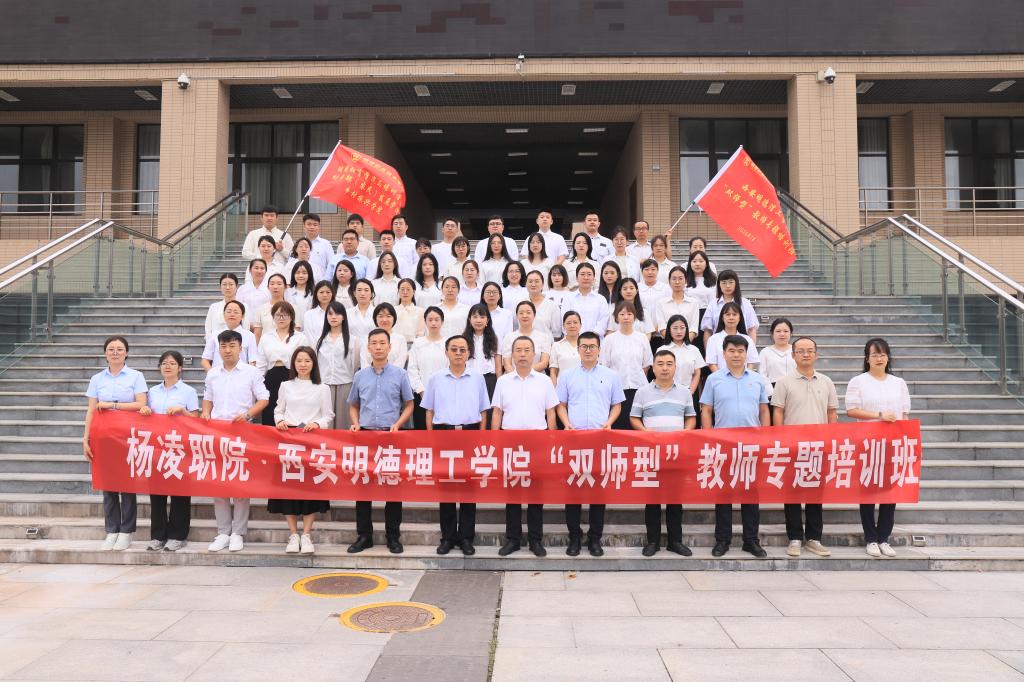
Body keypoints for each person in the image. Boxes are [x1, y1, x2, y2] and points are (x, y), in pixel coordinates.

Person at [700, 335, 770, 559]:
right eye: (732, 350)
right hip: (723, 444)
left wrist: (765, 436)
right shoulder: (714, 379)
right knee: (723, 493)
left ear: (747, 354)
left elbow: (764, 410)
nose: (736, 355)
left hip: (751, 444)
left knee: (751, 494)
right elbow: (706, 410)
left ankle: (751, 540)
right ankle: (722, 540)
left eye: (740, 351)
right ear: (724, 353)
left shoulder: (757, 379)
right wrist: (710, 436)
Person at [556, 331, 624, 556]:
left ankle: (595, 538)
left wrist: (609, 423)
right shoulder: (567, 375)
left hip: (600, 440)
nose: (587, 350)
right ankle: (574, 537)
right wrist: (566, 424)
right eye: (584, 346)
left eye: (592, 346)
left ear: (599, 350)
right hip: (574, 439)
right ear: (578, 349)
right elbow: (561, 404)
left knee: (598, 492)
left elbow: (617, 405)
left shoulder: (611, 375)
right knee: (572, 491)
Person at [347, 328, 414, 554]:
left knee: (392, 489)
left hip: (390, 437)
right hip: (366, 436)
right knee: (363, 489)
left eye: (382, 343)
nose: (378, 347)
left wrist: (398, 424)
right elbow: (353, 405)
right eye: (374, 343)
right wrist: (356, 423)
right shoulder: (360, 376)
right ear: (368, 347)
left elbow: (409, 404)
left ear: (389, 347)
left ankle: (393, 536)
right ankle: (364, 535)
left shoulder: (400, 374)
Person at [202, 329, 270, 552]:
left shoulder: (251, 372)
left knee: (240, 484)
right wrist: (205, 413)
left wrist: (248, 415)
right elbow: (208, 398)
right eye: (223, 346)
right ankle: (223, 532)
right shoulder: (213, 373)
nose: (227, 350)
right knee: (218, 483)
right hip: (217, 433)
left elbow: (264, 398)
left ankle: (238, 533)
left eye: (232, 346)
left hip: (242, 433)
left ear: (241, 348)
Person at [423, 335, 491, 555]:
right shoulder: (435, 378)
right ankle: (448, 537)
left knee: (469, 489)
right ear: (446, 353)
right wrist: (431, 439)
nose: (458, 353)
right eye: (454, 349)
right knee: (446, 489)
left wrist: (482, 439)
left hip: (470, 434)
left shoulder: (477, 378)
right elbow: (429, 410)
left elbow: (483, 410)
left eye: (463, 349)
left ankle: (466, 538)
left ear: (469, 353)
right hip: (444, 435)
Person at [845, 337, 911, 559]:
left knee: (889, 492)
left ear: (888, 357)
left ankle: (884, 537)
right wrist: (879, 415)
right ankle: (871, 538)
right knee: (868, 490)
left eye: (882, 354)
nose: (879, 358)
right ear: (867, 358)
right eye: (874, 354)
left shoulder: (898, 383)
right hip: (868, 442)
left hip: (893, 443)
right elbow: (851, 410)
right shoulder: (858, 381)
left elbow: (904, 414)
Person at [772, 336, 838, 558]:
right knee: (791, 494)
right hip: (792, 447)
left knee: (815, 493)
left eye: (810, 350)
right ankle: (794, 537)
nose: (806, 354)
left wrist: (831, 440)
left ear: (816, 354)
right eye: (801, 351)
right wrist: (781, 441)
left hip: (819, 447)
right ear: (793, 355)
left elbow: (832, 413)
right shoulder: (784, 382)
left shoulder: (826, 382)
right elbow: (778, 412)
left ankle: (814, 538)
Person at [492, 336, 558, 557]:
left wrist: (551, 441)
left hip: (537, 442)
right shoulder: (503, 381)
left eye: (527, 350)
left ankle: (535, 540)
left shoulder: (544, 381)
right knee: (512, 493)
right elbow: (497, 412)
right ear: (511, 354)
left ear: (534, 354)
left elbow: (551, 412)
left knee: (535, 494)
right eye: (518, 350)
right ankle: (512, 539)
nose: (522, 354)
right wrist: (494, 441)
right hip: (510, 442)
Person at [83, 336, 148, 551]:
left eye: (120, 349)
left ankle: (126, 531)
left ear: (126, 353)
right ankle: (112, 530)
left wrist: (112, 405)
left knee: (127, 484)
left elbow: (141, 403)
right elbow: (91, 410)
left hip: (127, 436)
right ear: (105, 353)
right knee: (107, 484)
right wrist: (86, 438)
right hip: (102, 436)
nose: (115, 352)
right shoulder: (97, 379)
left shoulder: (136, 376)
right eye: (111, 349)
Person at [631, 349, 697, 557]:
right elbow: (634, 417)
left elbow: (691, 417)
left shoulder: (685, 392)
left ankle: (675, 541)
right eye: (660, 364)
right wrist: (645, 433)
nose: (665, 368)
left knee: (675, 500)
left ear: (675, 367)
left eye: (669, 364)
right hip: (651, 454)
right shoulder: (642, 392)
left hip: (676, 454)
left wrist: (685, 432)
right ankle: (653, 541)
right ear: (653, 367)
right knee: (652, 499)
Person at [270, 346, 333, 555]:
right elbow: (278, 410)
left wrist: (317, 423)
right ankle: (293, 534)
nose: (303, 364)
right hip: (289, 442)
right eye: (299, 361)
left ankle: (306, 534)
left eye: (307, 360)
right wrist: (280, 421)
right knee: (288, 489)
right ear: (293, 363)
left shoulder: (322, 388)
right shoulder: (285, 385)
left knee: (310, 490)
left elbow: (328, 415)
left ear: (313, 363)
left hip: (312, 443)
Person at [138, 350, 199, 551]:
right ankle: (158, 535)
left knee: (180, 493)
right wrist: (144, 410)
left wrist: (183, 411)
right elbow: (144, 416)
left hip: (179, 447)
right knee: (157, 493)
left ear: (180, 367)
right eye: (164, 363)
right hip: (157, 447)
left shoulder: (188, 391)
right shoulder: (152, 392)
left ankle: (178, 535)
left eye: (172, 363)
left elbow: (196, 421)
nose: (168, 366)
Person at [600, 302, 653, 428]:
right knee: (620, 425)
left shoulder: (642, 338)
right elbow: (604, 366)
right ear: (616, 317)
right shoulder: (609, 339)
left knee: (639, 424)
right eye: (622, 314)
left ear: (634, 317)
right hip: (617, 390)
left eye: (629, 314)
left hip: (639, 388)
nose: (626, 317)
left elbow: (646, 364)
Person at [256, 301, 305, 426]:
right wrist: (258, 385)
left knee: (291, 415)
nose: (281, 318)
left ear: (291, 317)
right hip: (271, 378)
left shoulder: (300, 337)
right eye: (278, 315)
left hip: (292, 378)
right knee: (270, 413)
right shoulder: (266, 337)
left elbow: (306, 361)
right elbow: (261, 364)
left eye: (285, 315)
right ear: (273, 317)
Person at [315, 301, 361, 430]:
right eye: (330, 314)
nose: (333, 317)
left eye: (337, 314)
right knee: (325, 424)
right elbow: (317, 364)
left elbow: (355, 364)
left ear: (344, 317)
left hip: (345, 385)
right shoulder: (320, 340)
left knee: (344, 423)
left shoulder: (353, 340)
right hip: (324, 385)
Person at [407, 307, 448, 429]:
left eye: (436, 319)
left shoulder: (448, 343)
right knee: (422, 431)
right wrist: (421, 391)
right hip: (421, 395)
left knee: (443, 431)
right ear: (425, 322)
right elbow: (412, 369)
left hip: (444, 395)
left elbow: (450, 368)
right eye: (430, 320)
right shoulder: (418, 343)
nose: (433, 323)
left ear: (442, 321)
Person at [700, 270, 760, 345]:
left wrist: (750, 349)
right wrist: (708, 350)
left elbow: (751, 329)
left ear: (736, 284)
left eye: (731, 282)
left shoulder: (745, 303)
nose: (727, 286)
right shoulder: (713, 304)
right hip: (718, 345)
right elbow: (708, 331)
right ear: (719, 285)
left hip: (741, 346)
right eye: (724, 283)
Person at [705, 302, 760, 373]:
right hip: (720, 378)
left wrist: (745, 378)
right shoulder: (713, 339)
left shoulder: (747, 339)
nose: (731, 318)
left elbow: (751, 362)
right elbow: (712, 363)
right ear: (722, 318)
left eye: (734, 314)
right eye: (728, 314)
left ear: (740, 318)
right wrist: (722, 377)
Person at [202, 300, 257, 370]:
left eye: (236, 312)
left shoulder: (250, 336)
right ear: (224, 315)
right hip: (219, 374)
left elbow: (253, 361)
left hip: (241, 375)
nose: (232, 314)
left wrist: (247, 375)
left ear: (242, 316)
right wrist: (212, 374)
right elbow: (205, 360)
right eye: (229, 312)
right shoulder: (215, 334)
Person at [500, 301, 552, 373]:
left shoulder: (544, 337)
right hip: (512, 376)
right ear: (517, 316)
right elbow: (507, 364)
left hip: (537, 376)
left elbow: (544, 363)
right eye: (521, 313)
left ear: (534, 315)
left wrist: (525, 373)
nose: (524, 316)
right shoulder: (509, 337)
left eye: (528, 312)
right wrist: (516, 375)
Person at [464, 303, 502, 398]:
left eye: (482, 317)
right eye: (475, 317)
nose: (478, 320)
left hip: (489, 380)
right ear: (469, 319)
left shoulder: (494, 339)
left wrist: (499, 385)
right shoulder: (463, 339)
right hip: (468, 379)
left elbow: (498, 365)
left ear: (487, 320)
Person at [662, 315, 704, 402]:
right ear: (669, 330)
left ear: (686, 329)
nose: (679, 331)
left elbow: (697, 373)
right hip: (667, 393)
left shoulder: (694, 350)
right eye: (675, 328)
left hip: (690, 392)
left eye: (682, 328)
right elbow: (660, 373)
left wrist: (691, 391)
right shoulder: (662, 350)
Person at [655, 266, 699, 341]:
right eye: (674, 279)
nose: (677, 282)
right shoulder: (661, 303)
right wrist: (673, 343)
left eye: (680, 278)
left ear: (686, 281)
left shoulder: (694, 303)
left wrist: (684, 344)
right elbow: (662, 327)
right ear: (669, 281)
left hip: (688, 343)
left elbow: (693, 328)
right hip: (667, 343)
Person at [360, 303, 408, 368]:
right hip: (369, 374)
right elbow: (364, 363)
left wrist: (386, 373)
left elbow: (400, 364)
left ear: (394, 318)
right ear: (375, 319)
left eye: (388, 316)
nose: (384, 320)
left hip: (394, 374)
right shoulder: (366, 339)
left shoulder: (401, 339)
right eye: (380, 316)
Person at [566, 263, 608, 335]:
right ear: (576, 278)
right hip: (574, 339)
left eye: (589, 274)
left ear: (594, 278)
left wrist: (591, 337)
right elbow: (565, 320)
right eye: (582, 274)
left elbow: (603, 321)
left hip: (595, 339)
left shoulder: (601, 299)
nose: (586, 277)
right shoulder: (569, 298)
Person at [204, 273, 248, 342]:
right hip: (217, 343)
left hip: (236, 344)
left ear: (236, 286)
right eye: (224, 284)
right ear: (220, 287)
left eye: (231, 284)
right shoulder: (214, 307)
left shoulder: (244, 306)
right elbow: (208, 329)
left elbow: (246, 328)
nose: (227, 287)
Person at [760, 318, 797, 392]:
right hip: (772, 391)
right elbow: (762, 375)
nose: (782, 334)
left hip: (795, 390)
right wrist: (772, 393)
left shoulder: (797, 350)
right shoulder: (765, 352)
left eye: (786, 331)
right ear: (772, 333)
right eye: (778, 331)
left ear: (791, 333)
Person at [549, 310, 582, 385]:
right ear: (563, 326)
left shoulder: (587, 345)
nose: (572, 326)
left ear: (580, 325)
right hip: (562, 386)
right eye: (568, 323)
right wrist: (554, 389)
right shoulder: (556, 346)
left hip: (583, 386)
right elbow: (553, 372)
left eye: (575, 322)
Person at [252, 273, 288, 343]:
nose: (275, 287)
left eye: (279, 284)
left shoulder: (293, 308)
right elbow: (257, 335)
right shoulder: (261, 309)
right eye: (272, 284)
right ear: (268, 287)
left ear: (285, 287)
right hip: (266, 346)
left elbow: (295, 333)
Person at [525, 270, 561, 338]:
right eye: (530, 281)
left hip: (546, 343)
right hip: (524, 343)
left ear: (543, 284)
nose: (533, 284)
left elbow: (557, 333)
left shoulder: (552, 305)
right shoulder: (520, 304)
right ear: (526, 284)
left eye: (537, 281)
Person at [300, 213, 333, 277]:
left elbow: (331, 266)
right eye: (309, 224)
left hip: (320, 281)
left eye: (315, 225)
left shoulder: (326, 244)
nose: (312, 227)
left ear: (319, 227)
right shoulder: (298, 244)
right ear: (304, 226)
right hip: (301, 280)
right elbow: (292, 263)